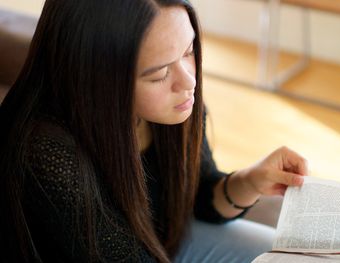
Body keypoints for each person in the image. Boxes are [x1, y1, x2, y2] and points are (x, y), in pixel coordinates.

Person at [0, 0, 309, 262]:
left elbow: (200, 201)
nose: (188, 81)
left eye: (188, 51)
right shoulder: (47, 155)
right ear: (100, 80)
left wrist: (252, 180)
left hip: (162, 245)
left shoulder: (174, 106)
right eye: (160, 73)